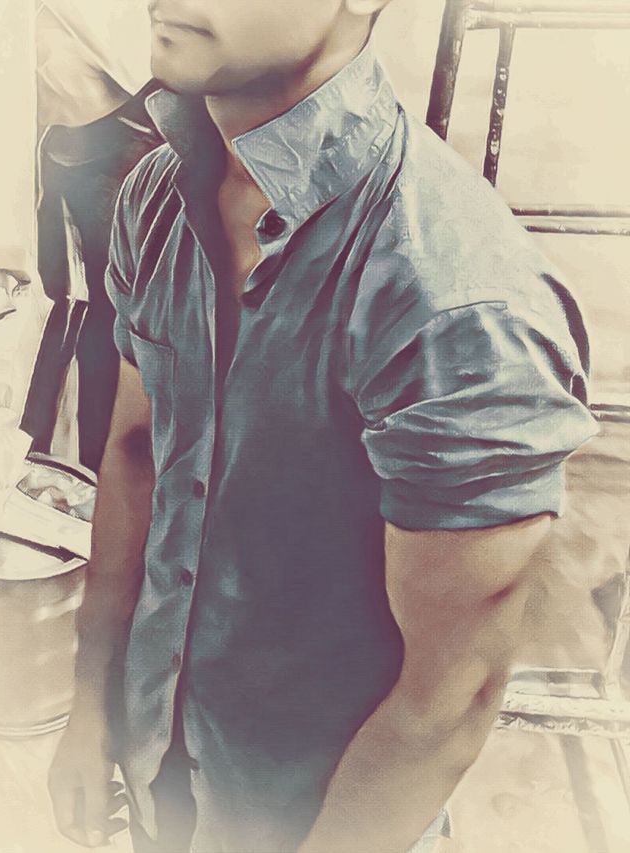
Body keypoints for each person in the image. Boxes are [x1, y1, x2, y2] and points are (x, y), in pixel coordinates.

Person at [48, 1, 599, 852]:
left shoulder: (455, 306)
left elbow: (445, 705)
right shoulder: (156, 195)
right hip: (161, 761)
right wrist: (91, 703)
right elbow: (134, 456)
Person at [21, 0, 161, 473]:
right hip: (84, 133)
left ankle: (95, 472)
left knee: (117, 321)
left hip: (121, 120)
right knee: (98, 317)